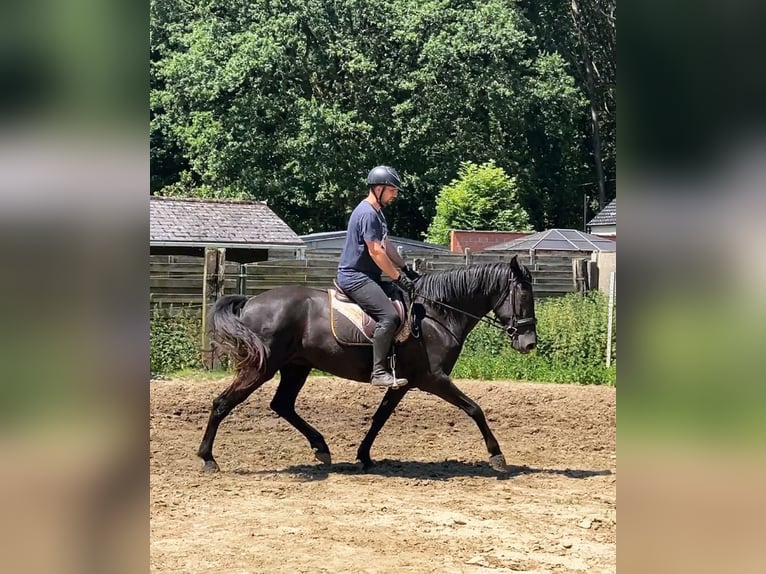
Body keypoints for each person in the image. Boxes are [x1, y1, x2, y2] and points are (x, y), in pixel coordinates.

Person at [337, 165, 420, 388]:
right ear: (379, 189)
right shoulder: (366, 213)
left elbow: (387, 244)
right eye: (393, 190)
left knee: (403, 299)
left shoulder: (377, 214)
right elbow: (376, 252)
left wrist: (404, 269)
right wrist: (396, 277)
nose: (395, 195)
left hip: (368, 276)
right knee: (389, 317)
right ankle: (379, 372)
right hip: (355, 277)